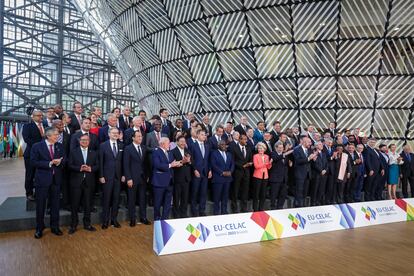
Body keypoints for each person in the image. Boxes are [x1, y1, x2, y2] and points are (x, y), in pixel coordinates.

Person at [30, 127, 65, 239]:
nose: (58, 136)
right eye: (55, 134)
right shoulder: (37, 146)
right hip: (42, 180)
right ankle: (39, 228)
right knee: (41, 205)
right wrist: (49, 163)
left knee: (55, 205)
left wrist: (60, 162)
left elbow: (65, 159)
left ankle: (55, 227)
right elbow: (33, 162)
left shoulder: (59, 146)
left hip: (56, 180)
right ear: (48, 136)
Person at [67, 134, 99, 234]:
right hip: (76, 181)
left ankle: (87, 224)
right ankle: (73, 225)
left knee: (88, 204)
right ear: (79, 141)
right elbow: (69, 165)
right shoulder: (73, 152)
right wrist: (80, 168)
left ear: (89, 141)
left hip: (89, 182)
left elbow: (97, 166)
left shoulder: (94, 153)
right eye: (83, 140)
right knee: (75, 205)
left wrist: (90, 168)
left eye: (87, 140)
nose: (85, 141)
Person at [123, 131, 150, 226]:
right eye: (138, 136)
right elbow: (126, 165)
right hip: (132, 178)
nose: (140, 138)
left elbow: (146, 163)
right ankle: (132, 219)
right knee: (132, 199)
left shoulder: (144, 147)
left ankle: (143, 217)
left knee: (143, 199)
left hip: (143, 178)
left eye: (141, 136)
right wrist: (128, 178)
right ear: (133, 138)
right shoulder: (128, 148)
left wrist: (147, 176)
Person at [99, 127, 124, 229]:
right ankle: (105, 221)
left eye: (117, 133)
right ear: (109, 134)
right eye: (113, 133)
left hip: (118, 177)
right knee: (106, 199)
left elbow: (123, 162)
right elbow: (101, 162)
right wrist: (101, 175)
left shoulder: (121, 145)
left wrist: (124, 175)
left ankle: (114, 220)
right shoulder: (103, 145)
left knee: (116, 200)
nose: (115, 134)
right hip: (107, 177)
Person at [152, 137, 182, 220]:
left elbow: (172, 163)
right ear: (162, 144)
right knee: (157, 203)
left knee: (168, 203)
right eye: (168, 143)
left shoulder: (169, 153)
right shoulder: (156, 152)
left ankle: (164, 219)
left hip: (169, 182)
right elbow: (157, 165)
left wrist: (179, 163)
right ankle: (157, 220)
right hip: (159, 182)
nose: (170, 144)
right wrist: (170, 165)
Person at [22, 110, 45, 201]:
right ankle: (29, 193)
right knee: (30, 174)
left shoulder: (45, 126)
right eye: (38, 115)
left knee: (39, 175)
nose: (41, 117)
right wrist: (40, 147)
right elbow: (27, 139)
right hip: (31, 154)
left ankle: (38, 192)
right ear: (33, 117)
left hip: (43, 155)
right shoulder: (27, 126)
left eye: (41, 115)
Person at [190, 129, 211, 217]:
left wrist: (210, 170)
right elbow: (191, 159)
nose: (204, 136)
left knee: (203, 192)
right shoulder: (192, 145)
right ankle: (194, 211)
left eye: (205, 135)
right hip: (197, 172)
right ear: (198, 135)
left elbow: (209, 159)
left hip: (205, 172)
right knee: (195, 192)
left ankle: (202, 210)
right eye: (202, 135)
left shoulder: (207, 146)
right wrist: (194, 169)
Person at [229, 134, 253, 213]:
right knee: (235, 190)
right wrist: (242, 166)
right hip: (237, 172)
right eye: (244, 139)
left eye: (246, 139)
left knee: (245, 191)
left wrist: (250, 163)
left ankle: (244, 208)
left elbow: (250, 159)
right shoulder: (234, 148)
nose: (246, 141)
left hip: (246, 173)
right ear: (239, 140)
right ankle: (234, 208)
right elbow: (232, 160)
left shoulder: (248, 148)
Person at [210, 140, 234, 215]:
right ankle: (216, 211)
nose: (224, 146)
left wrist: (230, 172)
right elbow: (213, 165)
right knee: (217, 196)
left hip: (227, 179)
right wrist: (222, 173)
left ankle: (224, 211)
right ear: (218, 145)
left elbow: (232, 164)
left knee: (225, 196)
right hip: (218, 178)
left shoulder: (229, 154)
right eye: (222, 145)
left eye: (225, 145)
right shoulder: (214, 153)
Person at [171, 136, 192, 218]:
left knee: (185, 198)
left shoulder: (187, 151)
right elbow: (172, 164)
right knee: (176, 198)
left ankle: (184, 214)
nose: (183, 143)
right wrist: (182, 161)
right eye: (181, 141)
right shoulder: (173, 151)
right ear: (177, 142)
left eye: (184, 141)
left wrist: (189, 161)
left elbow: (191, 162)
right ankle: (176, 215)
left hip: (187, 178)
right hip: (177, 178)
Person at [293, 137, 317, 207]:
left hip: (307, 174)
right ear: (304, 142)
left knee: (305, 191)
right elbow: (298, 161)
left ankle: (303, 205)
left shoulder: (309, 150)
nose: (310, 143)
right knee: (299, 190)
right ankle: (297, 205)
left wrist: (313, 159)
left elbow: (310, 161)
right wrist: (309, 158)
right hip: (300, 174)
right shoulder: (297, 149)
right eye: (309, 142)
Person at [269, 141, 291, 209]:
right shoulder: (273, 153)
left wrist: (290, 163)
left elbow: (285, 165)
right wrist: (283, 155)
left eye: (282, 147)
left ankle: (280, 207)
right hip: (275, 178)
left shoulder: (285, 155)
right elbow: (275, 159)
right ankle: (272, 207)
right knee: (274, 194)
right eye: (280, 147)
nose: (281, 149)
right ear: (276, 148)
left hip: (284, 178)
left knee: (283, 194)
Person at [252, 142, 272, 211]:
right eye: (259, 148)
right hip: (257, 176)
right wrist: (265, 164)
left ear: (264, 149)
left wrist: (270, 163)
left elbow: (268, 167)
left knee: (263, 194)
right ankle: (255, 209)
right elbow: (256, 166)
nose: (260, 149)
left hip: (265, 176)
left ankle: (261, 208)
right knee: (256, 193)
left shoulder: (267, 156)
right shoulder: (255, 156)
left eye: (261, 148)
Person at [311, 141, 328, 206]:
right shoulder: (313, 153)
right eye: (320, 144)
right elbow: (314, 164)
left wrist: (325, 170)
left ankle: (318, 201)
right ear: (316, 146)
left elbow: (327, 163)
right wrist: (321, 170)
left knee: (321, 188)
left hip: (324, 174)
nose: (322, 145)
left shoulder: (324, 154)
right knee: (315, 188)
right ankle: (313, 202)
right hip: (316, 174)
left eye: (321, 144)